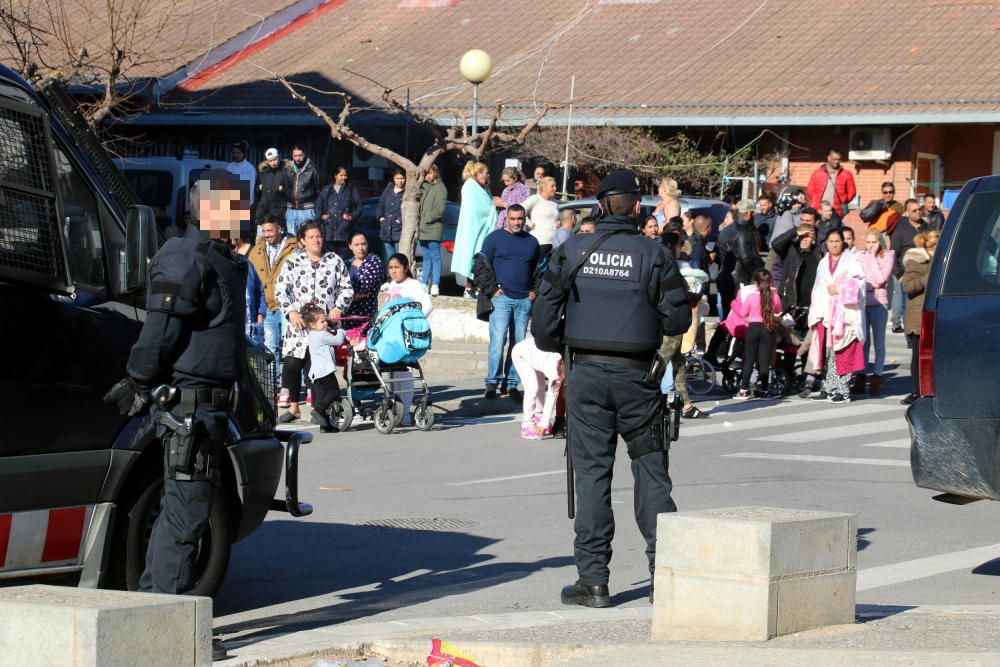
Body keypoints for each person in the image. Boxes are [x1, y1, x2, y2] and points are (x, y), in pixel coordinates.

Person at [104, 171, 249, 658]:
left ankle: (155, 621)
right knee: (184, 520)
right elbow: (159, 333)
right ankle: (160, 635)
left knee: (181, 518)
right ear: (203, 207)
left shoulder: (220, 259)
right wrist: (140, 384)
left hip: (206, 410)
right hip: (187, 409)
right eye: (230, 205)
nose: (239, 213)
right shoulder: (185, 255)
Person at [532, 169, 691, 607]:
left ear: (600, 205)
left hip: (586, 376)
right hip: (639, 378)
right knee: (652, 475)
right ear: (637, 207)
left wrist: (560, 347)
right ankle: (666, 574)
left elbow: (543, 320)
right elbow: (679, 319)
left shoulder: (572, 251)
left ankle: (594, 580)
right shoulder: (654, 254)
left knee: (592, 476)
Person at [274, 222, 353, 423]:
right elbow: (280, 290)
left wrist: (338, 308)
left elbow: (347, 289)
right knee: (292, 364)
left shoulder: (334, 261)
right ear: (302, 241)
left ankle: (317, 409)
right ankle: (293, 408)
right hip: (299, 325)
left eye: (318, 236)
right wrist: (290, 311)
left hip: (323, 326)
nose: (316, 240)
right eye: (311, 237)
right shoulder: (292, 262)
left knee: (317, 369)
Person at [473, 203, 540, 400]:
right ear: (506, 219)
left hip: (524, 299)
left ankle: (511, 385)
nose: (517, 222)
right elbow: (479, 265)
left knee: (518, 344)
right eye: (513, 219)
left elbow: (540, 270)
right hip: (501, 299)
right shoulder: (494, 239)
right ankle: (492, 382)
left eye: (520, 219)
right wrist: (492, 290)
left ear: (525, 219)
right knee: (498, 340)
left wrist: (534, 292)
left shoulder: (532, 242)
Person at [804, 230, 865, 403]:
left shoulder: (852, 261)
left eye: (837, 241)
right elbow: (818, 287)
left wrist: (840, 289)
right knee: (829, 352)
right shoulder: (823, 262)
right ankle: (830, 387)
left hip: (845, 313)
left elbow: (860, 281)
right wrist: (816, 311)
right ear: (826, 243)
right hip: (827, 313)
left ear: (842, 243)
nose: (834, 244)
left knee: (844, 350)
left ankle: (843, 390)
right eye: (831, 241)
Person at [384, 253, 433, 425]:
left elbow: (427, 306)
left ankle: (404, 413)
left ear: (405, 267)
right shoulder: (391, 285)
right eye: (391, 268)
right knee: (393, 373)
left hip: (405, 337)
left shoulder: (413, 285)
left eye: (397, 267)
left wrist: (414, 324)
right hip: (391, 337)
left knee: (404, 373)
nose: (393, 271)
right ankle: (396, 411)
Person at [248, 216, 297, 363]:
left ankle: (303, 385)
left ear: (280, 229)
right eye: (263, 231)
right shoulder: (256, 251)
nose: (266, 234)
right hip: (268, 308)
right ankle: (273, 386)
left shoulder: (295, 249)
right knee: (270, 349)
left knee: (294, 350)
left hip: (291, 308)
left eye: (270, 230)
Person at [900, 231, 939, 405]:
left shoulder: (938, 261)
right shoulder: (915, 261)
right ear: (929, 247)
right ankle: (916, 390)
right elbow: (908, 287)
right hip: (918, 314)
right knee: (918, 355)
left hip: (935, 313)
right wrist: (928, 276)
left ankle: (932, 388)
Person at [732, 269, 783, 399]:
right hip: (767, 328)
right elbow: (779, 310)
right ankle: (765, 390)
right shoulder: (774, 296)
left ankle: (744, 390)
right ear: (771, 281)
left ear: (755, 282)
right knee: (764, 362)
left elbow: (743, 313)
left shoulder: (751, 297)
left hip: (753, 328)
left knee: (749, 361)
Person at [855, 231, 895, 397]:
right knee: (863, 341)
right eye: (868, 242)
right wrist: (871, 285)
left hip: (880, 304)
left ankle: (877, 378)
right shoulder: (860, 256)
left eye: (874, 242)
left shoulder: (888, 255)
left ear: (880, 242)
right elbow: (858, 278)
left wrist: (872, 258)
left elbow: (881, 279)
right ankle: (861, 376)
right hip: (863, 302)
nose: (870, 245)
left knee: (879, 342)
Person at [452, 161, 498, 299]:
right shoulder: (470, 186)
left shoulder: (483, 187)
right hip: (473, 228)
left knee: (481, 257)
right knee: (472, 256)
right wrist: (493, 204)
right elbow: (478, 207)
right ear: (478, 173)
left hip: (482, 228)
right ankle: (468, 287)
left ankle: (477, 286)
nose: (488, 175)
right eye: (486, 172)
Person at [302, 303, 346, 433]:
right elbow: (338, 340)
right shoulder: (321, 334)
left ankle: (325, 426)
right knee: (334, 393)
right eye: (322, 322)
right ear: (312, 325)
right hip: (325, 371)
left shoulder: (312, 335)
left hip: (316, 373)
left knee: (323, 397)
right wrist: (342, 331)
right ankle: (318, 410)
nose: (325, 324)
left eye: (325, 321)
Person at [510, 333, 564, 440]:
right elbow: (552, 395)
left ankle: (538, 417)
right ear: (560, 372)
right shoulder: (553, 371)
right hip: (521, 354)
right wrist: (545, 423)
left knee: (541, 387)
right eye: (562, 377)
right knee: (532, 388)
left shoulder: (562, 365)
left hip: (537, 357)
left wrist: (543, 422)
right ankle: (526, 425)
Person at [716, 199, 763, 319]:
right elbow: (747, 258)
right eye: (754, 214)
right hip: (739, 279)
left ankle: (722, 338)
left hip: (726, 277)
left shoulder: (727, 230)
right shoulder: (743, 233)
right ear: (749, 214)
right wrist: (759, 275)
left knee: (728, 317)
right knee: (737, 319)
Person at [889, 199, 927, 333]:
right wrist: (899, 275)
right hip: (906, 275)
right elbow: (893, 254)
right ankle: (910, 336)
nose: (919, 212)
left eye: (919, 209)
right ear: (907, 212)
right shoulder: (900, 231)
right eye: (914, 210)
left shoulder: (926, 228)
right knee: (906, 306)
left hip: (924, 275)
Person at [316, 165, 363, 260]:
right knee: (328, 259)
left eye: (345, 175)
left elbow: (359, 207)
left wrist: (351, 217)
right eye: (341, 175)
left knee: (344, 259)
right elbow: (318, 205)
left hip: (345, 231)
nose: (344, 178)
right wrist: (321, 216)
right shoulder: (327, 190)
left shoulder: (351, 190)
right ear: (335, 175)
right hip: (328, 230)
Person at [771, 222, 819, 313]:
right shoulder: (791, 250)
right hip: (792, 302)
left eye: (807, 236)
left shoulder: (818, 254)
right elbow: (775, 244)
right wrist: (795, 231)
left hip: (812, 304)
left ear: (813, 238)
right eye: (802, 236)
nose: (804, 239)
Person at [343, 231, 385, 322]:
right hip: (345, 315)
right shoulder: (346, 264)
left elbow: (364, 285)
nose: (361, 248)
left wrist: (345, 294)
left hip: (365, 315)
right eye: (356, 245)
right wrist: (355, 296)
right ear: (350, 246)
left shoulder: (374, 261)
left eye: (363, 244)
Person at [419, 164, 447, 296]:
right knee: (426, 257)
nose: (427, 176)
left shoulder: (440, 188)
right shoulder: (423, 186)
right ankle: (424, 283)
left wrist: (426, 219)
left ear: (435, 173)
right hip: (422, 227)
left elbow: (439, 209)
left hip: (433, 227)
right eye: (426, 174)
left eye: (429, 173)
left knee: (435, 257)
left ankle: (435, 284)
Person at [806, 148, 856, 218]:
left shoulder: (846, 174)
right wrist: (816, 200)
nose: (836, 162)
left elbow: (852, 192)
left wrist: (843, 200)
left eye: (838, 159)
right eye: (834, 159)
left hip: (837, 212)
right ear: (828, 158)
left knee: (835, 229)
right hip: (819, 211)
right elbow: (810, 190)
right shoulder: (817, 173)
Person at [283, 145, 319, 237]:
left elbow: (319, 189)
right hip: (291, 210)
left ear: (305, 155)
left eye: (300, 155)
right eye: (295, 155)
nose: (298, 158)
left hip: (307, 209)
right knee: (292, 239)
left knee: (307, 237)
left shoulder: (313, 169)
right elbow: (285, 187)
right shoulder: (288, 169)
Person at [523, 176, 560, 255]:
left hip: (554, 243)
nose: (555, 188)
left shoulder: (555, 202)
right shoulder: (535, 199)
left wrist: (559, 223)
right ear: (544, 187)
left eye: (555, 186)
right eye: (552, 186)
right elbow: (519, 210)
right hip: (539, 242)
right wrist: (530, 223)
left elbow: (555, 218)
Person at [375, 168, 405, 258]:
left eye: (402, 178)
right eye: (397, 178)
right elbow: (381, 204)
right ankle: (390, 273)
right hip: (386, 228)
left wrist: (400, 220)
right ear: (393, 178)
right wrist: (380, 217)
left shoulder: (407, 192)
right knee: (390, 257)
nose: (400, 181)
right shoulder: (388, 189)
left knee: (399, 257)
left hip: (399, 230)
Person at [493, 166, 532, 230]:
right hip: (502, 225)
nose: (505, 183)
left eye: (508, 181)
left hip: (517, 227)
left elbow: (523, 209)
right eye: (504, 181)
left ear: (515, 178)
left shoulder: (525, 190)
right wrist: (497, 203)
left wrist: (505, 204)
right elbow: (502, 210)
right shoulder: (506, 190)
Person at [256, 148, 287, 226]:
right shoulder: (263, 173)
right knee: (261, 236)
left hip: (279, 212)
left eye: (275, 160)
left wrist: (283, 189)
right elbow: (256, 192)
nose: (273, 163)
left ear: (279, 158)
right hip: (263, 211)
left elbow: (292, 191)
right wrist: (259, 188)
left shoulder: (286, 172)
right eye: (270, 161)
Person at [227, 140, 257, 207]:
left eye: (238, 153)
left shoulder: (250, 168)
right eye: (234, 153)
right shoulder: (229, 166)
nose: (235, 155)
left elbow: (251, 188)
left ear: (243, 153)